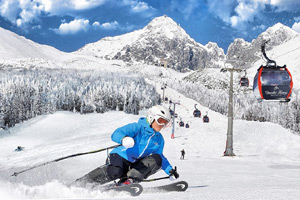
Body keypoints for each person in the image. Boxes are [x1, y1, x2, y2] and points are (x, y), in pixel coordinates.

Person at [75, 105, 179, 186]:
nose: (162, 125)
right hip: (120, 156)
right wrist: (124, 139)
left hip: (135, 165)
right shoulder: (137, 127)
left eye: (165, 123)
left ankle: (129, 181)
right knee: (116, 172)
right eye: (160, 121)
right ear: (151, 118)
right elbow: (116, 133)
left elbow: (159, 156)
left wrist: (170, 170)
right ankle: (83, 183)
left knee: (157, 159)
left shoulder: (159, 139)